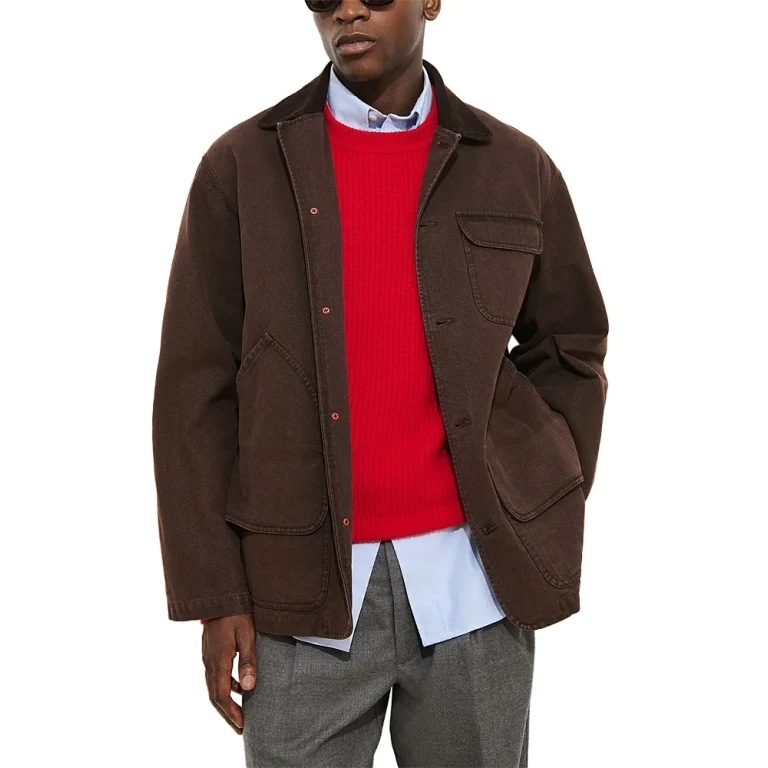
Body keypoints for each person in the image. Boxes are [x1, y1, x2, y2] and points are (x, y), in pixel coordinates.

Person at [151, 1, 609, 765]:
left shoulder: (514, 166)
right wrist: (215, 594)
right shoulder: (242, 167)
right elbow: (193, 392)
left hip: (475, 587)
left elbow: (571, 344)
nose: (349, 9)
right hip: (296, 598)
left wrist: (538, 493)